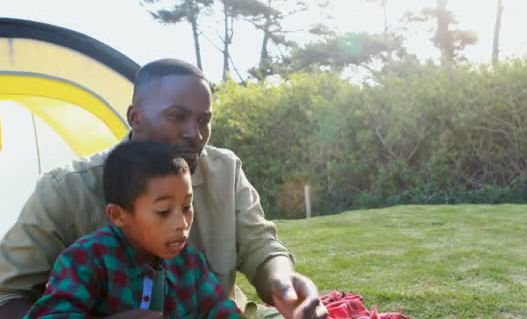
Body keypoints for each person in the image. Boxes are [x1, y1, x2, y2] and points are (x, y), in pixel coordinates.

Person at [0, 59, 327, 319]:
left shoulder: (225, 170)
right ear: (135, 118)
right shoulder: (65, 191)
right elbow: (6, 296)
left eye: (203, 120)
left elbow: (262, 247)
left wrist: (282, 283)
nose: (194, 134)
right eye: (177, 116)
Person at [25, 140, 242, 318]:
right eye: (164, 211)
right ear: (118, 216)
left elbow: (219, 308)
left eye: (187, 207)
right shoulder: (86, 259)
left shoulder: (190, 263)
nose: (182, 223)